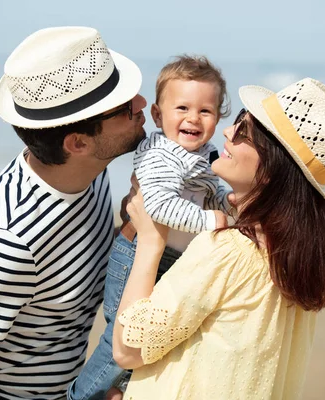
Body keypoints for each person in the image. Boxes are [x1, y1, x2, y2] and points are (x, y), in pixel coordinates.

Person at [0, 26, 147, 400]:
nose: (141, 102)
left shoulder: (88, 169)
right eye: (123, 108)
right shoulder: (8, 240)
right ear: (77, 143)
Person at [112, 78, 325, 399]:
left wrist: (150, 241)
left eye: (244, 130)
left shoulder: (228, 250)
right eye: (237, 120)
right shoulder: (298, 257)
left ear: (271, 166)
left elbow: (129, 348)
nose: (228, 132)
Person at [67, 55, 234, 400]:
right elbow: (157, 206)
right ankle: (82, 394)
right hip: (135, 258)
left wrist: (227, 203)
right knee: (123, 336)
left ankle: (116, 393)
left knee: (150, 338)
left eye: (205, 111)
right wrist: (211, 221)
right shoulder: (160, 154)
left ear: (218, 118)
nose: (193, 118)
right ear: (158, 115)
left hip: (169, 258)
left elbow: (211, 191)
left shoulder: (205, 153)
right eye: (182, 108)